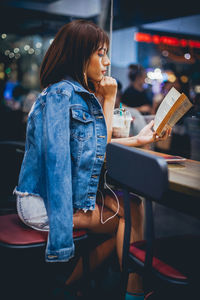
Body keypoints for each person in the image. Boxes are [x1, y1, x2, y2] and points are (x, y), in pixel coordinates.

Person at [14, 20, 171, 300]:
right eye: (100, 53)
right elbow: (58, 166)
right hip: (43, 202)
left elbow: (96, 147)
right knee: (132, 214)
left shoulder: (76, 95)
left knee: (130, 210)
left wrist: (140, 139)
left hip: (58, 196)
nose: (107, 62)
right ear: (78, 55)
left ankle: (72, 287)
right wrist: (109, 101)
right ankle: (130, 292)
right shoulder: (61, 96)